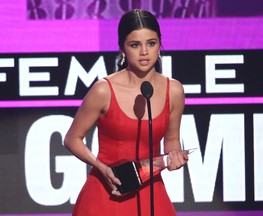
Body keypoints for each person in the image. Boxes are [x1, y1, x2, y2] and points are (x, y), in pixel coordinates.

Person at [64, 8, 188, 216]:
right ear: (122, 48)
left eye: (151, 43)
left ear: (160, 44)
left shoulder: (174, 90)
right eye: (135, 45)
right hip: (107, 191)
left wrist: (174, 156)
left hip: (150, 191)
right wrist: (102, 168)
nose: (144, 52)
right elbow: (72, 139)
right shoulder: (104, 90)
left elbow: (172, 139)